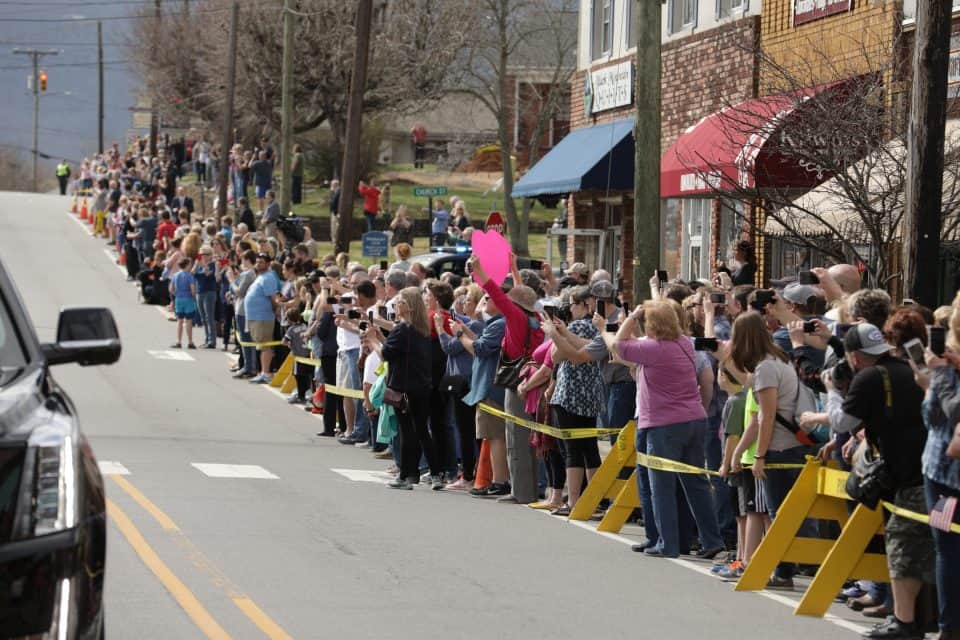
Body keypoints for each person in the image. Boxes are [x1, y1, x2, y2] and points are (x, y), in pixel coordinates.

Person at [828, 324, 933, 640]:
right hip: (925, 470)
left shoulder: (869, 378)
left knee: (902, 548)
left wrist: (832, 390)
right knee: (926, 550)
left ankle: (905, 623)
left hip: (905, 476)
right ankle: (920, 618)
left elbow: (841, 421)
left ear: (855, 357)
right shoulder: (906, 369)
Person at [614, 300, 725, 559]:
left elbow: (617, 344)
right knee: (696, 483)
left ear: (651, 325)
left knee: (661, 485)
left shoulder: (652, 349)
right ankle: (711, 539)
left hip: (662, 424)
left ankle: (668, 543)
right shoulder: (687, 344)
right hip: (693, 419)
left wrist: (631, 318)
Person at [470, 253, 543, 504]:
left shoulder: (516, 318)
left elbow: (497, 293)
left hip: (516, 381)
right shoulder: (537, 319)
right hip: (534, 379)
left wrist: (479, 269)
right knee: (530, 438)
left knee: (516, 438)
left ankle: (520, 492)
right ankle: (530, 488)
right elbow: (521, 294)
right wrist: (513, 269)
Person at [913, 291, 960, 640]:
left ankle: (948, 626)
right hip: (940, 474)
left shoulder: (947, 370)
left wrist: (935, 380)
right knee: (944, 544)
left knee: (947, 548)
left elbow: (939, 414)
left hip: (944, 475)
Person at [369, 287, 445, 490]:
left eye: (399, 301)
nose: (395, 304)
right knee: (422, 431)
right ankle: (434, 473)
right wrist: (382, 339)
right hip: (421, 386)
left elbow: (386, 354)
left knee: (407, 432)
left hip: (403, 386)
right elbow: (398, 351)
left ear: (408, 306)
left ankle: (405, 475)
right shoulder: (421, 329)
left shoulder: (402, 329)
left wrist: (373, 340)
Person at [542, 285, 605, 514]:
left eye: (572, 305)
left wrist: (556, 334)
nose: (570, 310)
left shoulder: (577, 325)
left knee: (572, 450)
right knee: (590, 448)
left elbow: (556, 356)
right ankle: (594, 500)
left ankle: (575, 501)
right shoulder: (599, 329)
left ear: (581, 305)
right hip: (590, 394)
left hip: (570, 393)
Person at [244, 253, 281, 384]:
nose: (258, 264)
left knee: (265, 346)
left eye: (261, 262)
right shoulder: (261, 276)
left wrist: (276, 310)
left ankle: (266, 373)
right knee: (261, 345)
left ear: (268, 264)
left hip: (263, 317)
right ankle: (263, 371)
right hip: (256, 317)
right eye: (257, 261)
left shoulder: (269, 277)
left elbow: (273, 299)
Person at [283, 308, 313, 404]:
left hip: (299, 357)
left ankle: (301, 395)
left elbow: (284, 341)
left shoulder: (291, 330)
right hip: (308, 355)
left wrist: (289, 344)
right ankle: (308, 393)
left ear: (290, 319)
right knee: (308, 375)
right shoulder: (305, 326)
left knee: (298, 376)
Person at [169, 257, 198, 349]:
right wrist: (194, 297)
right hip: (188, 299)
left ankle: (178, 341)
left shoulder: (176, 275)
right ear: (187, 265)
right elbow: (193, 289)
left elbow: (171, 289)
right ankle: (190, 341)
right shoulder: (190, 276)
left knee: (179, 321)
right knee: (189, 321)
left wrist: (176, 294)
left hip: (179, 299)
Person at [193, 246, 218, 348]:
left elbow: (208, 274)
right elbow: (192, 273)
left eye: (206, 254)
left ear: (210, 255)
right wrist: (196, 264)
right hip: (200, 292)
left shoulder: (213, 265)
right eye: (202, 254)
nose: (203, 256)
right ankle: (207, 339)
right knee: (203, 317)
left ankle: (212, 341)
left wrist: (204, 266)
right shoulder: (199, 265)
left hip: (209, 292)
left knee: (209, 317)